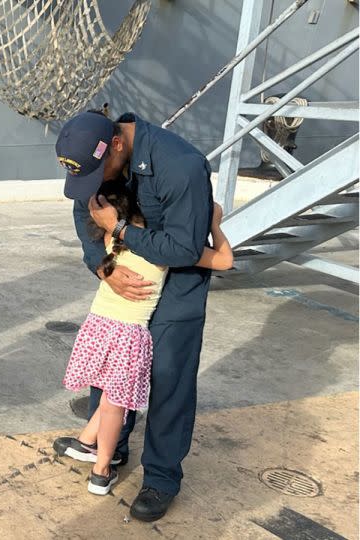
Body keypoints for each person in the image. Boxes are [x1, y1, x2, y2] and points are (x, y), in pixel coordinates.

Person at [54, 109, 219, 521]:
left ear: (118, 144)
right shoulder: (99, 162)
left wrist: (122, 229)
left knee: (168, 376)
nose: (96, 185)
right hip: (126, 275)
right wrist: (103, 266)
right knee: (113, 363)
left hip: (178, 281)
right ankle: (109, 447)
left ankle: (161, 478)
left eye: (98, 174)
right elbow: (85, 211)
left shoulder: (180, 166)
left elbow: (184, 248)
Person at [60, 181, 233, 496]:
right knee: (116, 403)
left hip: (98, 326)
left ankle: (87, 441)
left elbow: (93, 206)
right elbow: (224, 260)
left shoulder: (111, 236)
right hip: (128, 335)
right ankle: (102, 469)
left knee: (110, 389)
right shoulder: (164, 249)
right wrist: (214, 225)